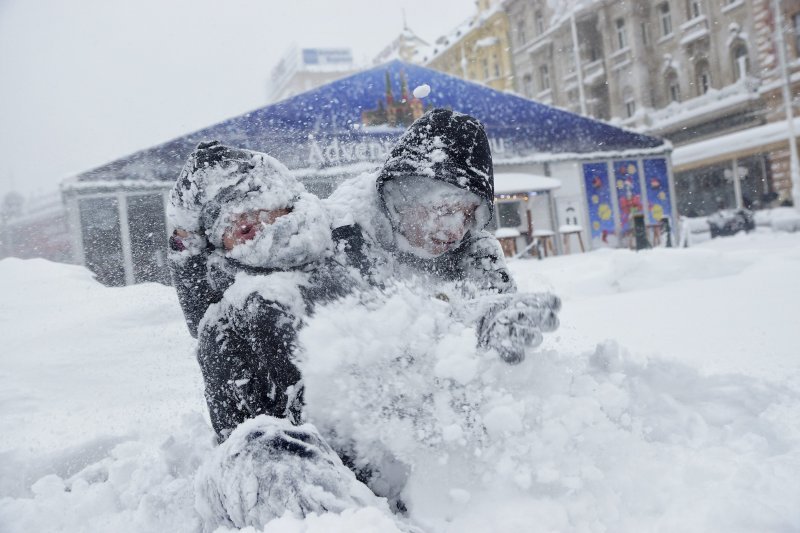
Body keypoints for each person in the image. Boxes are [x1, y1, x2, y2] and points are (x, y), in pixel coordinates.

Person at [326, 108, 560, 363]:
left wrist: (488, 327)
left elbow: (493, 308)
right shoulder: (339, 241)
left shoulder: (476, 255)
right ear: (401, 196)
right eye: (446, 209)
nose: (456, 230)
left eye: (469, 215)